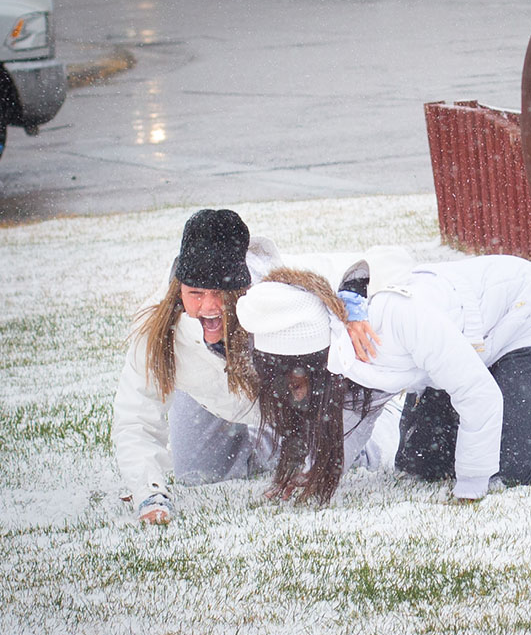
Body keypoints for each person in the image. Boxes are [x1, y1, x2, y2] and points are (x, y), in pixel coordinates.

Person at [112, 208, 391, 524]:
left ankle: (363, 437)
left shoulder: (279, 299)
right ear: (180, 290)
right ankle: (264, 445)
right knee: (199, 472)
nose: (208, 307)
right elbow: (135, 416)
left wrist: (353, 303)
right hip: (209, 394)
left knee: (321, 456)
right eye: (195, 294)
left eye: (220, 294)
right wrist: (148, 493)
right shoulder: (158, 327)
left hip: (279, 401)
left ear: (240, 290)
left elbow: (369, 265)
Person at [236, 254, 531, 502]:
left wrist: (470, 487)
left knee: (512, 466)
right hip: (462, 349)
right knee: (421, 459)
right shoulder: (339, 357)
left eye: (293, 378)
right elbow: (354, 414)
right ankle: (522, 426)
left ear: (311, 360)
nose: (292, 391)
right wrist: (318, 471)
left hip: (524, 316)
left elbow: (478, 395)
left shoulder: (394, 322)